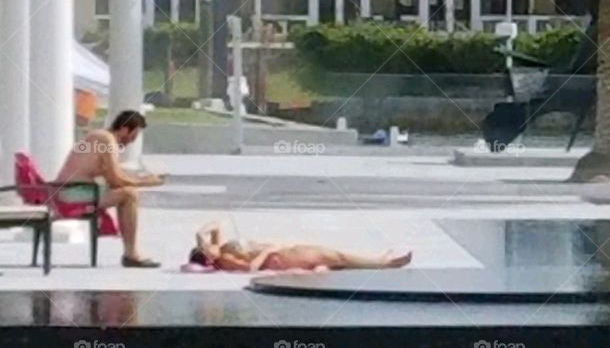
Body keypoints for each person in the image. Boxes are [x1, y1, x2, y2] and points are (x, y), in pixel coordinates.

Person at [54, 110, 165, 268]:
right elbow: (116, 179)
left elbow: (115, 178)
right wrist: (146, 182)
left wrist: (141, 179)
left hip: (74, 191)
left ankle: (130, 252)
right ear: (125, 129)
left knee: (127, 193)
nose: (132, 142)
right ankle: (131, 254)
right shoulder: (106, 139)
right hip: (72, 193)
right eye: (134, 136)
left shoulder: (100, 137)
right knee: (130, 194)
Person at [189, 222, 412, 273]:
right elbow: (251, 268)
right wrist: (269, 250)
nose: (209, 244)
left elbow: (214, 225)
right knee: (336, 256)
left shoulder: (219, 247)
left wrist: (200, 237)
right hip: (283, 258)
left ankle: (377, 261)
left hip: (285, 253)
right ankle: (384, 263)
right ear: (209, 257)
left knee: (334, 261)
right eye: (206, 247)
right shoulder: (224, 259)